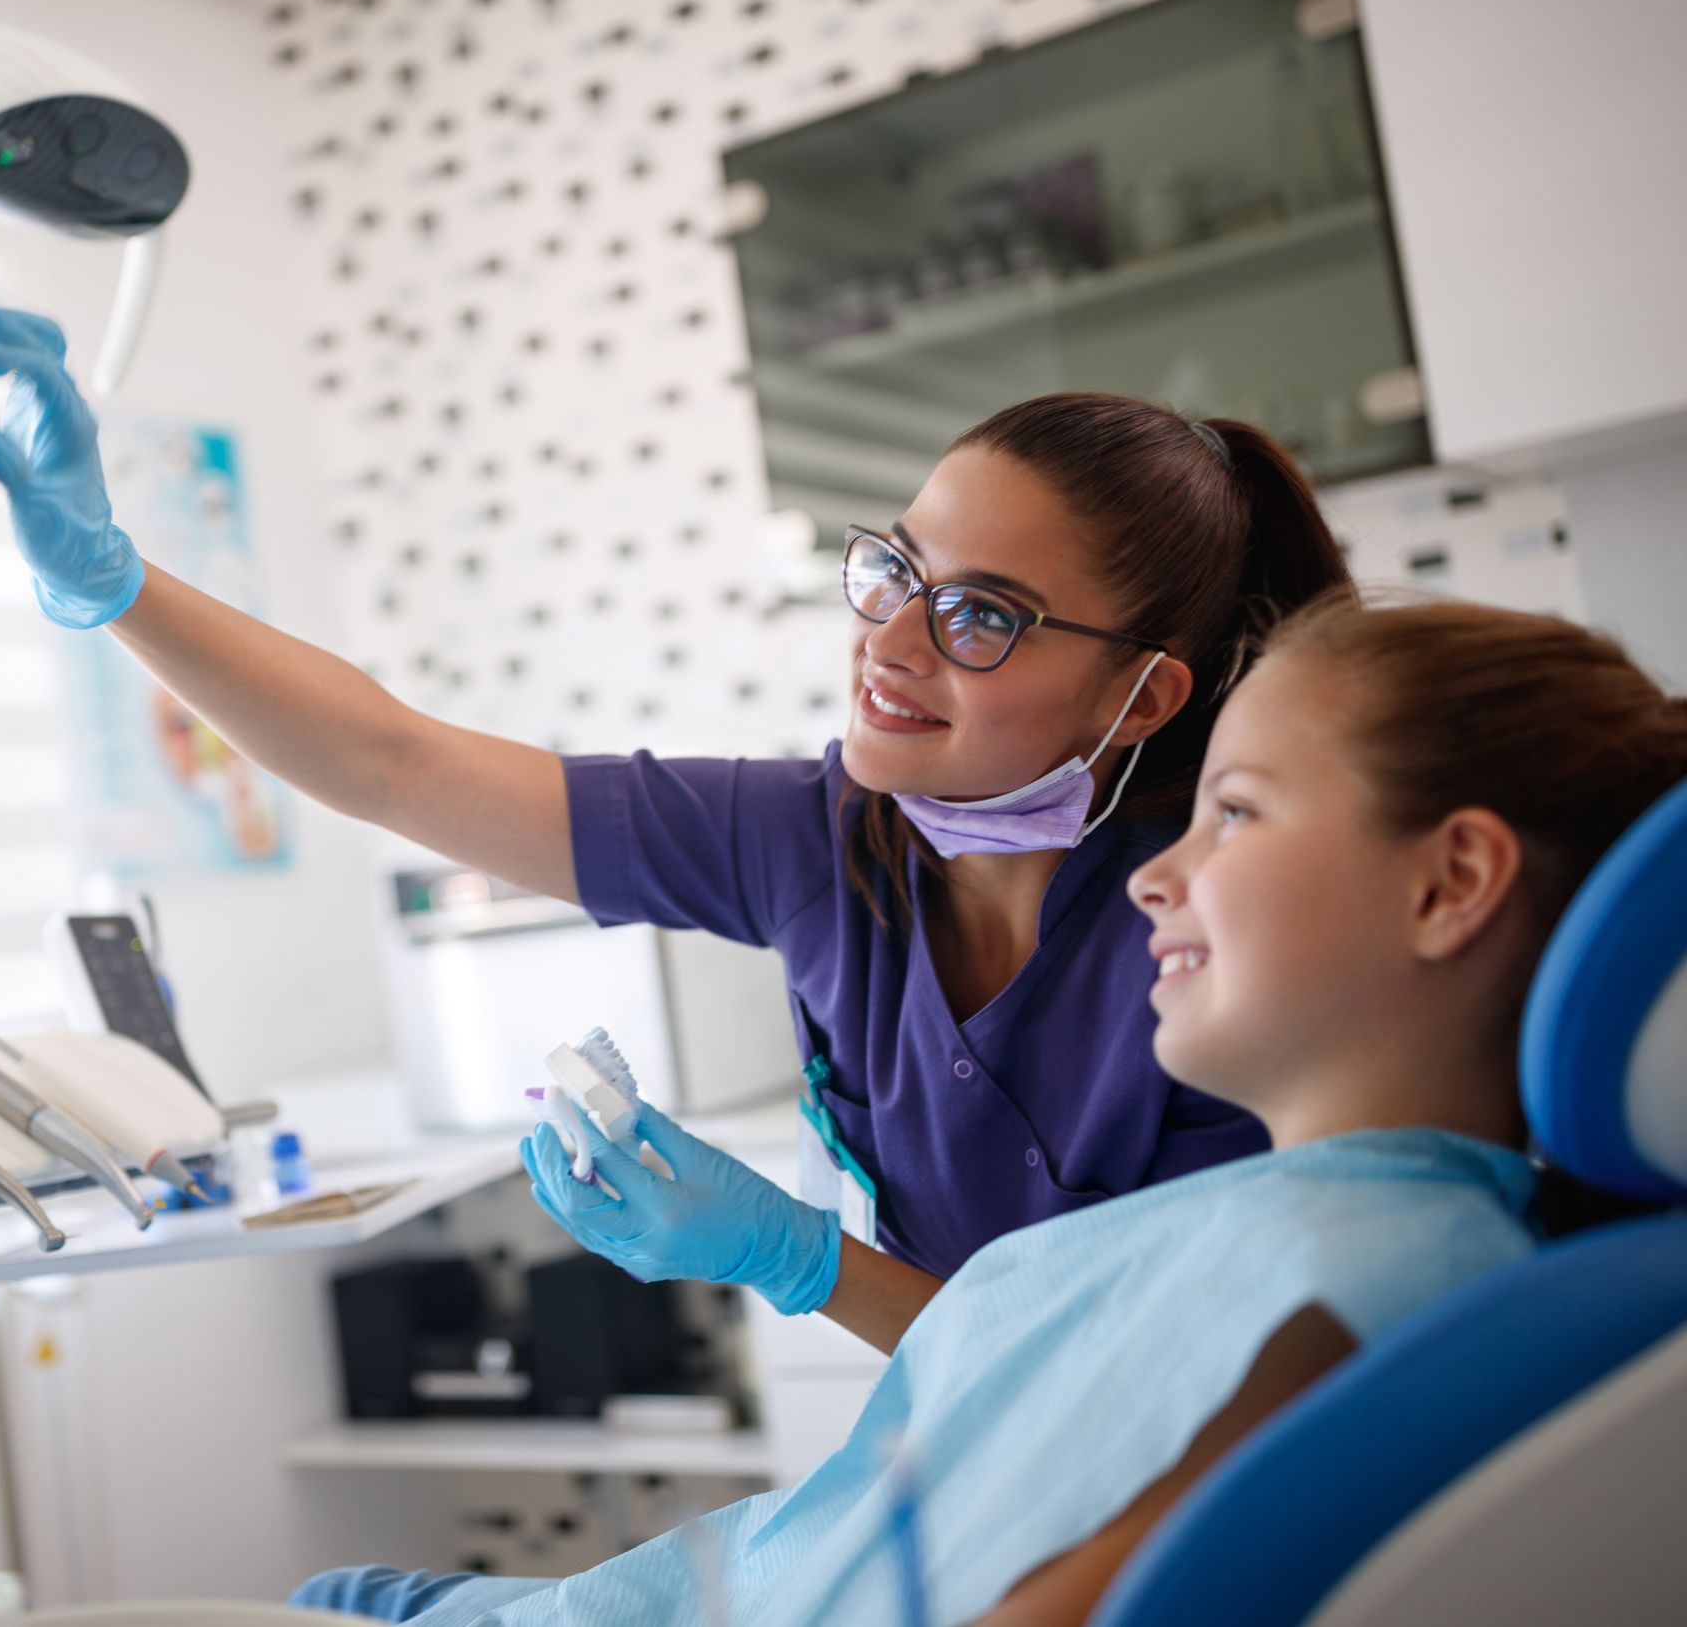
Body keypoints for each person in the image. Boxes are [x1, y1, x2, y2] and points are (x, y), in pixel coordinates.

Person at [0, 288, 1352, 1346]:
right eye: (898, 570)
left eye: (981, 616)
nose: (894, 643)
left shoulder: (1216, 928)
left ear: (1145, 694)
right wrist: (113, 584)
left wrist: (801, 1262)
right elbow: (394, 764)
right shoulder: (828, 842)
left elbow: (1151, 1381)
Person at [290, 596, 1687, 1625]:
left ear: (1449, 884)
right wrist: (793, 1254)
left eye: (1240, 815)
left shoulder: (1378, 1289)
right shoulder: (1308, 1226)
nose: (1156, 876)